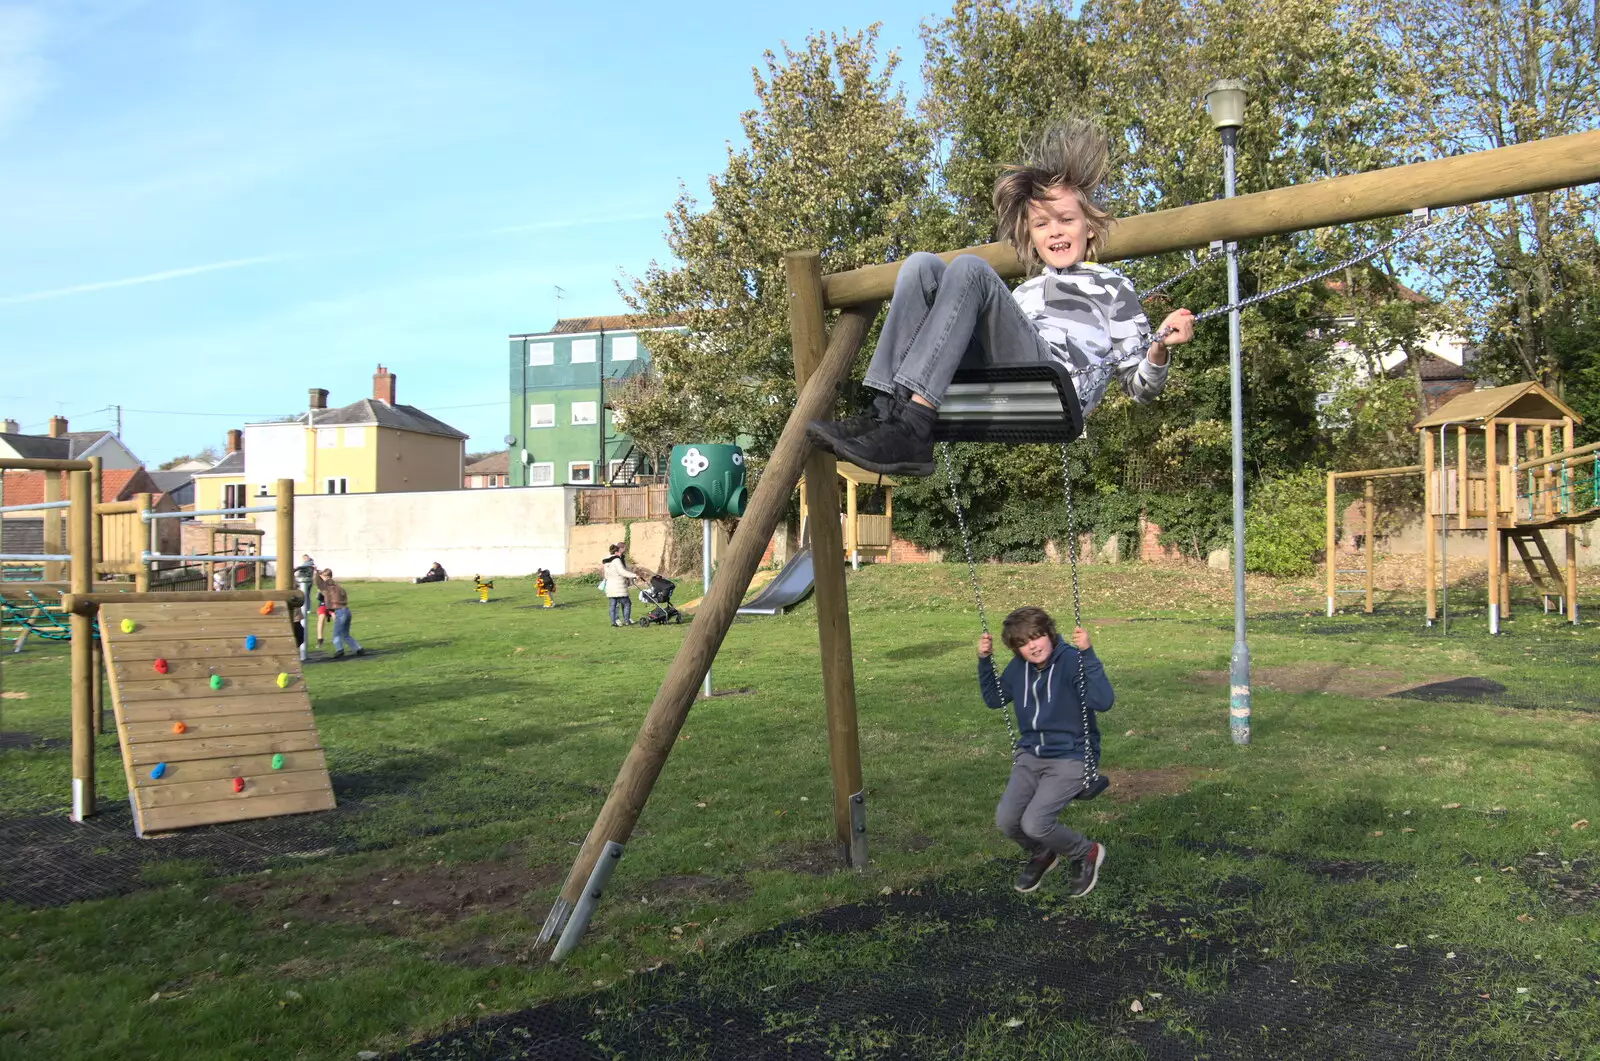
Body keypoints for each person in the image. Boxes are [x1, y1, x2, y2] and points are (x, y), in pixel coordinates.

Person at [807, 119, 1195, 477]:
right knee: (921, 266)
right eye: (1042, 224)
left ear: (1089, 228)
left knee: (968, 268)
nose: (1055, 232)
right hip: (997, 380)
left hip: (1055, 384)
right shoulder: (1023, 293)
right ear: (1030, 233)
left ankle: (914, 426)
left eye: (1066, 220)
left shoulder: (1113, 288)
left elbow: (1139, 387)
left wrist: (1159, 348)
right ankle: (881, 408)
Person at [978, 605, 1112, 897]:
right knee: (1007, 820)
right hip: (1030, 755)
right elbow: (993, 699)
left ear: (1049, 633)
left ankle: (1085, 853)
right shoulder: (1018, 669)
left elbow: (1102, 701)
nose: (1032, 647)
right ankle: (1043, 853)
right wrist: (984, 660)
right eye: (1023, 644)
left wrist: (1088, 654)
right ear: (1016, 650)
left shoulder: (1071, 661)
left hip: (1071, 756)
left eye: (1036, 637)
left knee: (1036, 822)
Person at [313, 568, 364, 659]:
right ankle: (358, 649)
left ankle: (339, 650)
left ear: (324, 577)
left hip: (339, 612)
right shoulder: (338, 587)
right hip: (347, 611)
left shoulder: (326, 588)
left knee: (336, 634)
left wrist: (317, 573)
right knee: (345, 634)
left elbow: (317, 582)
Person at [600, 543, 639, 627]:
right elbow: (622, 572)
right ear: (617, 551)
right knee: (627, 603)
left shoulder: (606, 561)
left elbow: (606, 575)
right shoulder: (616, 560)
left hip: (610, 586)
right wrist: (634, 575)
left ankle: (613, 622)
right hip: (619, 586)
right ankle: (626, 620)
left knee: (612, 605)